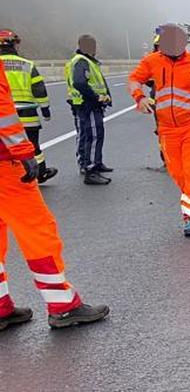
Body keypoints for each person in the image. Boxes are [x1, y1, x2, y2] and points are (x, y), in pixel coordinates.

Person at [0, 69, 109, 330]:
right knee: (37, 230)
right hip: (4, 164)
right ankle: (63, 306)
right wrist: (22, 150)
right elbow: (2, 113)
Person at [127, 23, 190, 238]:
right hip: (167, 129)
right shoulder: (152, 61)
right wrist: (140, 97)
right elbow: (134, 79)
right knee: (177, 173)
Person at [0, 29, 57, 184]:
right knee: (33, 146)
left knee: (5, 150)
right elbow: (39, 89)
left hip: (3, 115)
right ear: (14, 45)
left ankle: (9, 177)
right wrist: (45, 110)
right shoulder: (27, 65)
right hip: (27, 114)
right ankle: (41, 173)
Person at [65, 34, 112, 185]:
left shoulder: (87, 61)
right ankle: (91, 169)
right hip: (88, 104)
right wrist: (95, 97)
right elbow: (80, 82)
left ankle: (93, 164)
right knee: (94, 136)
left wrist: (106, 97)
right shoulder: (82, 62)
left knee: (88, 134)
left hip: (85, 104)